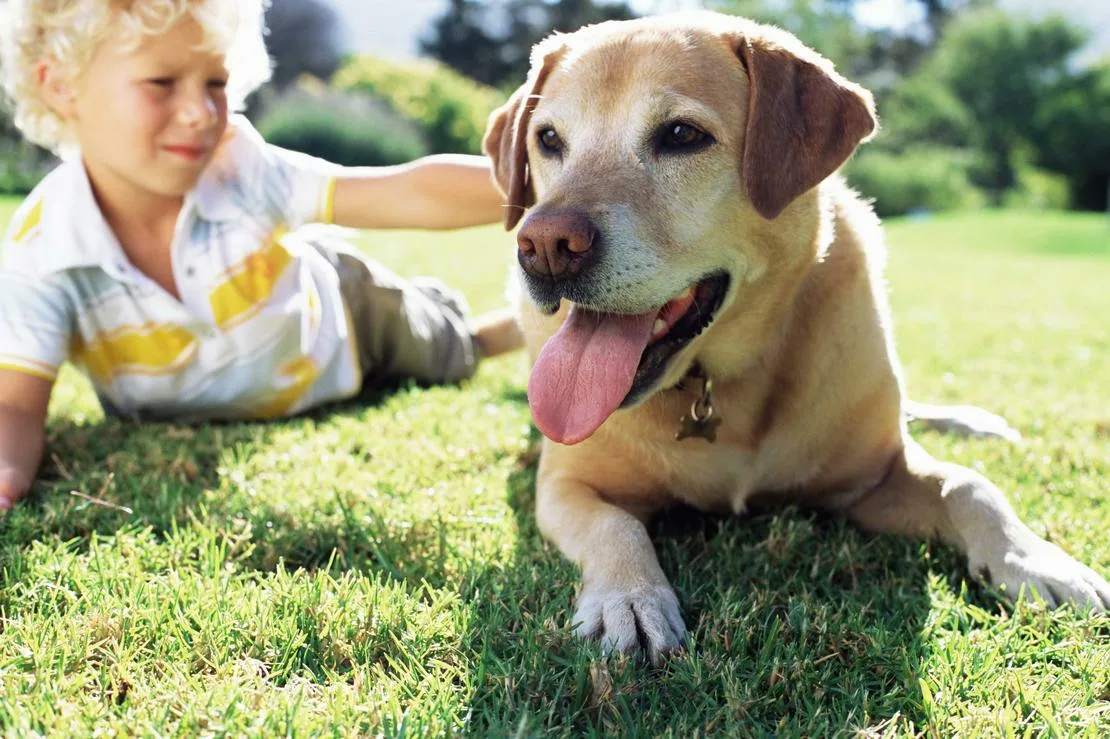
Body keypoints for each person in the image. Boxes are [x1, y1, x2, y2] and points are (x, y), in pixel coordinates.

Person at [0, 0, 523, 512]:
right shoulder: (43, 247)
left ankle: (498, 330)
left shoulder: (241, 167)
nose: (200, 111)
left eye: (216, 83)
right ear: (61, 86)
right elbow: (15, 404)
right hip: (261, 373)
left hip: (345, 316)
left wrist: (544, 184)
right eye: (161, 83)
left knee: (445, 352)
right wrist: (7, 474)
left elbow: (402, 191)